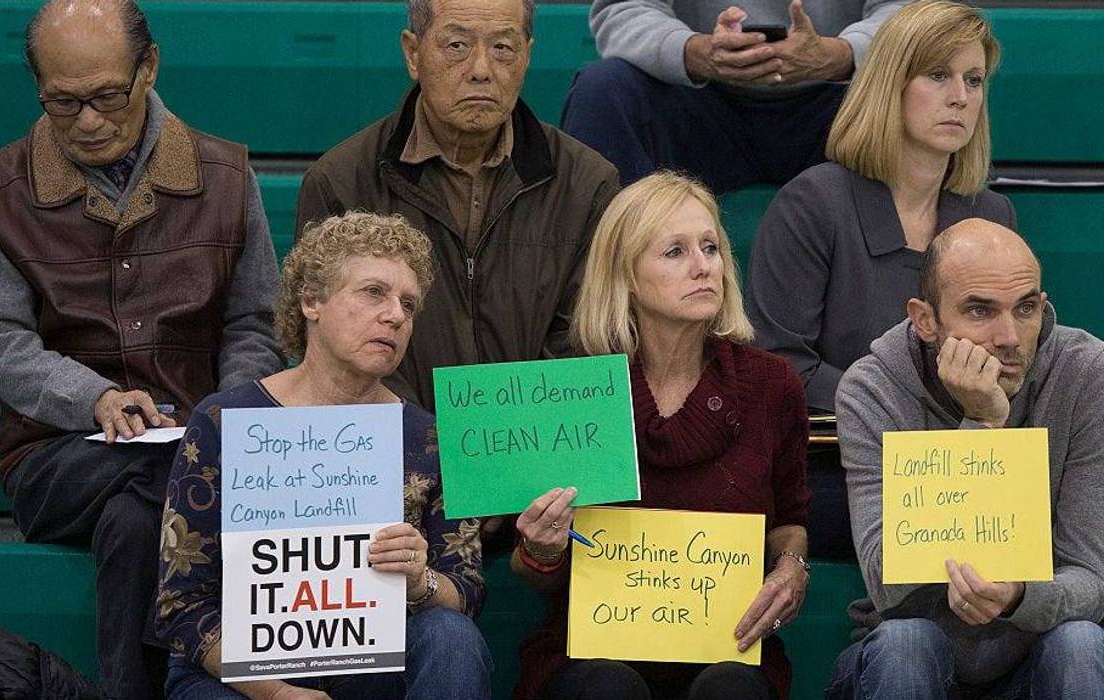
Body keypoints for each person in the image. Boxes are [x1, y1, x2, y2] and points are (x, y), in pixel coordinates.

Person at [0, 1, 283, 696]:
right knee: (160, 480)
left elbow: (254, 322)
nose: (90, 120)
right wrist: (93, 397)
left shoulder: (226, 174)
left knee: (139, 517)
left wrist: (225, 418)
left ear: (150, 67)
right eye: (62, 103)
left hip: (201, 442)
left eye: (107, 95)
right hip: (54, 455)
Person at [157, 212, 490, 700]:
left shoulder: (429, 437)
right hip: (241, 673)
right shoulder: (224, 421)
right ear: (311, 300)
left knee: (450, 637)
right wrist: (275, 692)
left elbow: (465, 591)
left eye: (408, 304)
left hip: (378, 659)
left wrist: (420, 580)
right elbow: (182, 603)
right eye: (373, 292)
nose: (396, 315)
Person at [512, 172, 811, 700]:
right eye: (675, 251)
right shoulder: (576, 388)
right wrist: (544, 550)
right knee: (606, 688)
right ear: (625, 276)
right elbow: (535, 572)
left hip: (728, 649)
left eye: (711, 247)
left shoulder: (772, 386)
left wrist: (791, 568)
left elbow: (789, 520)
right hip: (592, 652)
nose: (703, 266)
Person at [745, 0, 1015, 560]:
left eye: (973, 80)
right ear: (890, 85)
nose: (960, 97)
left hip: (968, 454)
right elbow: (781, 365)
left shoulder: (990, 215)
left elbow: (1013, 356)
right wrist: (905, 412)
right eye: (938, 76)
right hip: (836, 465)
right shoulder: (813, 203)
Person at [829, 218, 1104, 699]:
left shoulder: (1088, 373)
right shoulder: (872, 388)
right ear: (926, 320)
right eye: (979, 311)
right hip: (910, 649)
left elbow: (1093, 584)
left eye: (1026, 308)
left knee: (1079, 645)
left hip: (1039, 651)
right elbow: (888, 582)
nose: (1009, 336)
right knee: (906, 645)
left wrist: (1017, 597)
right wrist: (982, 423)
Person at [294, 0, 620, 413]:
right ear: (413, 53)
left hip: (538, 449)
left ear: (527, 56)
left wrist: (504, 440)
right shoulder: (341, 183)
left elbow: (587, 340)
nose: (482, 69)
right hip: (392, 451)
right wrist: (428, 443)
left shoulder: (587, 183)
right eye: (457, 45)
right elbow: (335, 349)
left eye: (503, 47)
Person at [561, 0, 906, 189]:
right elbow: (624, 8)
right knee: (603, 89)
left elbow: (913, 13)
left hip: (839, 105)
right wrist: (694, 52)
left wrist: (840, 56)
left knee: (933, 93)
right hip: (701, 105)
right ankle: (599, 291)